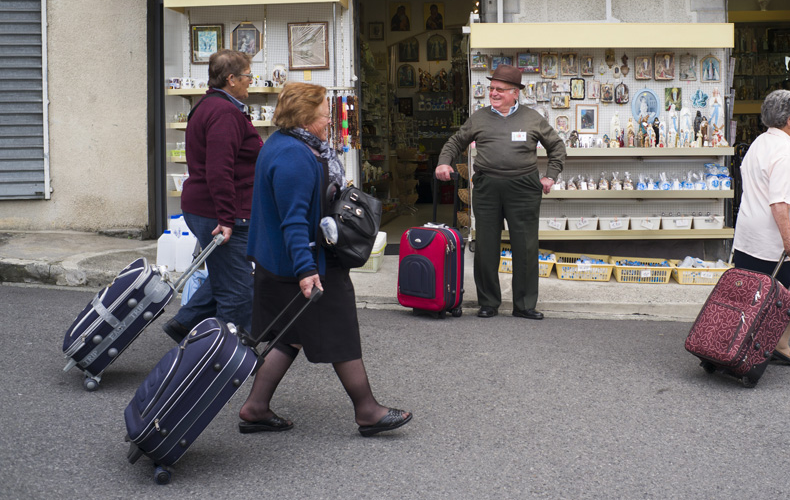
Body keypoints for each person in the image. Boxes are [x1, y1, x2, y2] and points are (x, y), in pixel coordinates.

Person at [238, 82, 411, 436]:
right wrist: (305, 271)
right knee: (339, 331)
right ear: (305, 116)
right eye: (323, 113)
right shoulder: (294, 157)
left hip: (279, 263)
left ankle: (255, 407)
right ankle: (367, 411)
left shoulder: (282, 144)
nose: (329, 119)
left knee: (289, 335)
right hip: (301, 264)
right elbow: (293, 220)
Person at [435, 65, 566, 320]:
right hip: (487, 187)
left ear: (515, 93)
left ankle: (525, 304)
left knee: (525, 247)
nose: (493, 93)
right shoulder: (480, 117)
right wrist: (444, 161)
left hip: (524, 188)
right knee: (485, 246)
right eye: (491, 88)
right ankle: (488, 302)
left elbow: (556, 147)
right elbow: (456, 141)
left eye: (500, 89)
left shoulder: (532, 118)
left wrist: (551, 175)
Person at [162, 49, 262, 342]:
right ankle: (228, 351)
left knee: (225, 272)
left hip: (207, 208)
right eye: (247, 76)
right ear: (231, 79)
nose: (250, 82)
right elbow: (220, 170)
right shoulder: (224, 113)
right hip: (217, 213)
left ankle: (184, 324)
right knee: (238, 288)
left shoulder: (210, 105)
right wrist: (226, 218)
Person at [731, 89, 790, 366]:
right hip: (774, 239)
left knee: (751, 294)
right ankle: (779, 344)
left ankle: (741, 340)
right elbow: (779, 203)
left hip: (749, 235)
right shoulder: (786, 152)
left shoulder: (759, 143)